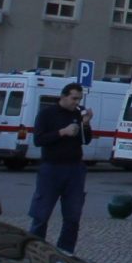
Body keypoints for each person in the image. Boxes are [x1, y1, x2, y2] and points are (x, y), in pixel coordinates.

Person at [28, 82, 93, 253]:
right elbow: (38, 140)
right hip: (51, 168)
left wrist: (85, 124)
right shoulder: (47, 114)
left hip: (75, 169)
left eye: (79, 99)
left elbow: (86, 140)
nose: (76, 103)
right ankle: (35, 250)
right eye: (73, 98)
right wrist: (61, 132)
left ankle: (65, 252)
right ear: (63, 96)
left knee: (73, 217)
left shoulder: (78, 114)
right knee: (41, 215)